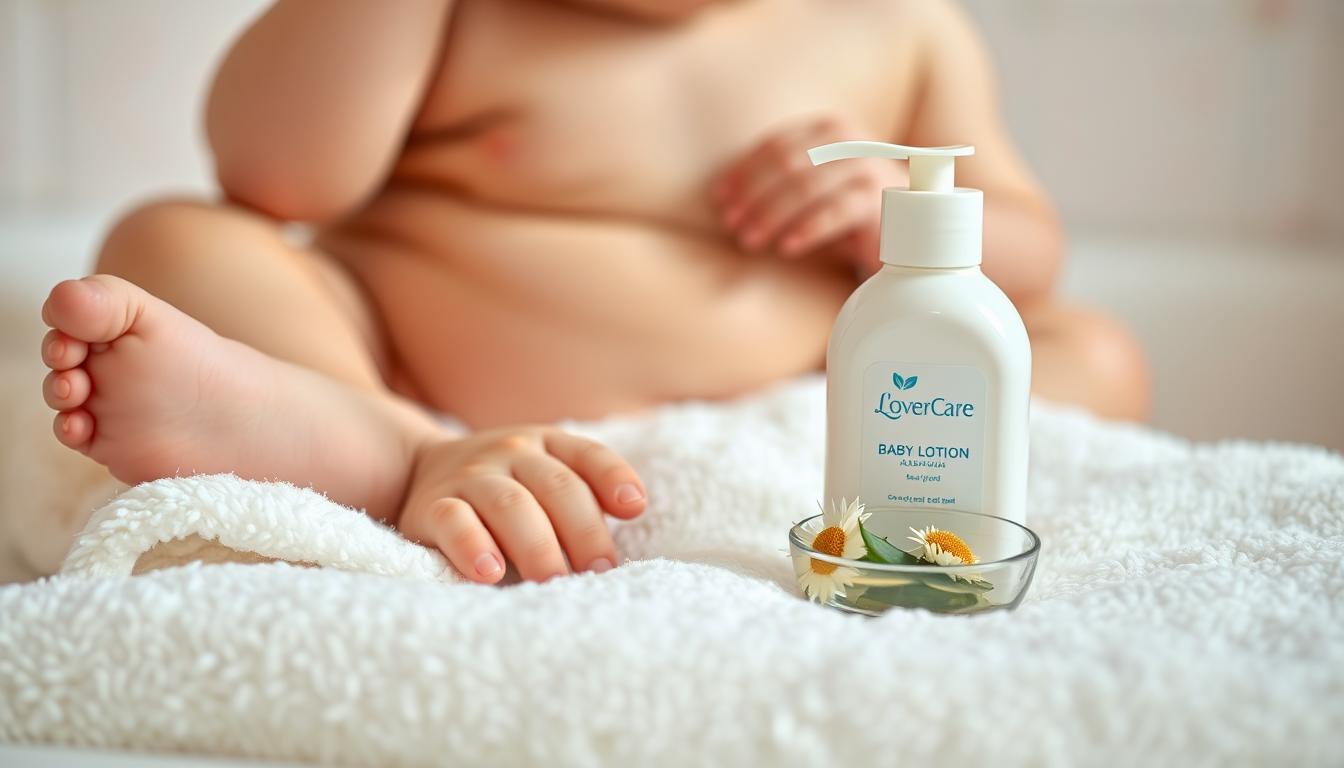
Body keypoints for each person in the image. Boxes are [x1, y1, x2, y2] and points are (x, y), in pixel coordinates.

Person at [37, 0, 1147, 585]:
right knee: (170, 236)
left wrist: (896, 200)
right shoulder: (469, 12)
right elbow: (277, 174)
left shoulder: (899, 25)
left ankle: (843, 460)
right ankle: (377, 441)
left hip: (808, 401)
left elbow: (1026, 242)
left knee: (1091, 351)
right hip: (410, 368)